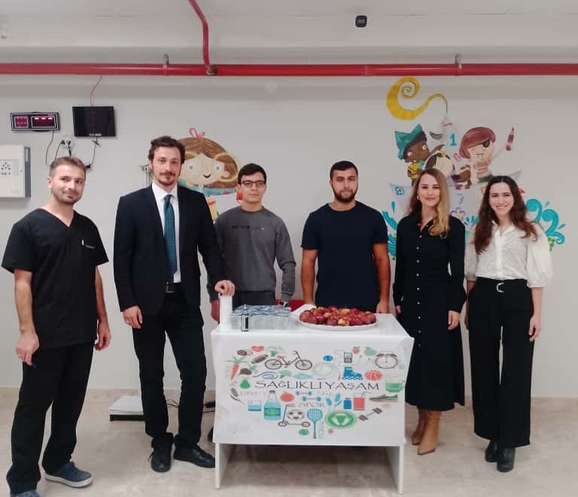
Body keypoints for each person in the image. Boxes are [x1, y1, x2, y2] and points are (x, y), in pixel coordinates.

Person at [113, 136, 235, 473]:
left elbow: (210, 248)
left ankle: (187, 442)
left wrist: (218, 281)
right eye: (162, 161)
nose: (168, 168)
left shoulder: (196, 202)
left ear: (181, 166)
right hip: (145, 306)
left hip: (184, 301)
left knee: (195, 373)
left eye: (174, 162)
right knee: (151, 374)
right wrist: (127, 303)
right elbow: (122, 260)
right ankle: (159, 440)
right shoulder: (131, 204)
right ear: (151, 163)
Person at [2, 156, 111, 497]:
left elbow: (94, 277)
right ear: (50, 181)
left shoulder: (87, 227)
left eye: (78, 181)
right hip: (44, 336)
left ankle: (58, 462)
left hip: (81, 333)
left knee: (70, 404)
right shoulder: (28, 227)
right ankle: (22, 483)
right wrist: (26, 332)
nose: (72, 186)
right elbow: (22, 283)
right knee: (33, 409)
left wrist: (103, 321)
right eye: (65, 179)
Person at [465, 175, 552, 473]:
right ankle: (492, 434)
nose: (500, 200)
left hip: (517, 297)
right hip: (484, 296)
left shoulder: (530, 231)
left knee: (516, 369)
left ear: (514, 197)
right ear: (487, 200)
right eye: (494, 195)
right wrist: (470, 307)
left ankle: (509, 441)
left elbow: (537, 276)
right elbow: (471, 274)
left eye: (505, 194)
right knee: (483, 367)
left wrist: (536, 314)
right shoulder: (479, 230)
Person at [393, 168, 466, 455]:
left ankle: (433, 424)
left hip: (439, 304)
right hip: (411, 303)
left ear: (442, 192)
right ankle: (421, 421)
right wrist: (397, 298)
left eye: (435, 187)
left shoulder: (453, 226)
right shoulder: (405, 225)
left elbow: (457, 271)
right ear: (417, 192)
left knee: (436, 363)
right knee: (418, 364)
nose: (430, 192)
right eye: (425, 187)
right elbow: (402, 266)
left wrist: (455, 306)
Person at [301, 161, 390, 312]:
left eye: (351, 179)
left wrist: (384, 299)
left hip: (368, 303)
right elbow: (308, 261)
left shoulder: (373, 217)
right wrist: (308, 302)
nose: (346, 185)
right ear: (331, 183)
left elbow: (382, 259)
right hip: (327, 304)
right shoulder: (316, 219)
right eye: (340, 179)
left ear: (357, 181)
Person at [210, 163, 295, 319]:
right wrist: (214, 298)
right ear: (239, 187)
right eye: (248, 183)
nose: (254, 188)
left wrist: (285, 299)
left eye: (259, 183)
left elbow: (288, 263)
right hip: (230, 296)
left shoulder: (275, 223)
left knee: (264, 336)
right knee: (230, 336)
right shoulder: (224, 221)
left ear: (265, 187)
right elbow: (213, 261)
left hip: (264, 297)